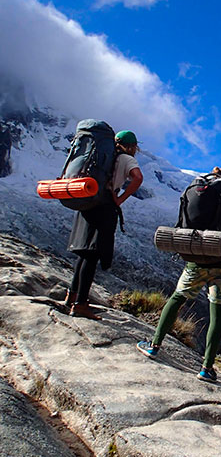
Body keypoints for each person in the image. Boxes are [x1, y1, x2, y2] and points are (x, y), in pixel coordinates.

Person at [137, 167, 221, 383]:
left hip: (196, 260)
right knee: (217, 311)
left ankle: (154, 346)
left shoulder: (201, 193)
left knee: (177, 298)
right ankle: (206, 368)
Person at [64, 130, 143, 320]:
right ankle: (81, 304)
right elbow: (137, 178)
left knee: (83, 253)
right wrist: (121, 198)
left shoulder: (102, 156)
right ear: (132, 146)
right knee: (93, 254)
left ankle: (71, 297)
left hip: (88, 201)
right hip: (105, 206)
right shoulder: (126, 158)